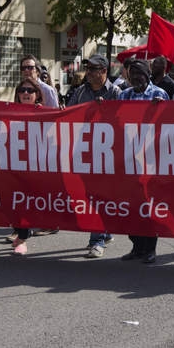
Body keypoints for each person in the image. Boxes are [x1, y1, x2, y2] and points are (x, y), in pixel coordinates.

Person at [67, 54, 122, 258]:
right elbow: (68, 115)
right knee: (92, 195)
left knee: (99, 195)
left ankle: (96, 241)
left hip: (108, 153)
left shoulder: (116, 92)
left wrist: (105, 112)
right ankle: (104, 232)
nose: (88, 73)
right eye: (88, 68)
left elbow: (124, 120)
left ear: (104, 71)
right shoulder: (81, 92)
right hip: (85, 151)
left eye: (93, 69)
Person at [117, 58, 169, 264]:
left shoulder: (159, 94)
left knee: (149, 205)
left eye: (139, 74)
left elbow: (169, 122)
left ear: (147, 75)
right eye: (132, 75)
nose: (136, 78)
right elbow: (115, 120)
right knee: (132, 205)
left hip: (150, 158)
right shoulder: (124, 95)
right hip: (129, 158)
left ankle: (150, 248)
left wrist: (160, 108)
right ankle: (136, 246)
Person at [9, 78, 44, 255]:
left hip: (34, 166)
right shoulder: (8, 111)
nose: (25, 93)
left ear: (37, 94)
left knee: (26, 203)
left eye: (30, 91)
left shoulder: (45, 112)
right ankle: (20, 233)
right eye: (22, 90)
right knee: (13, 202)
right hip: (13, 164)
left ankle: (22, 238)